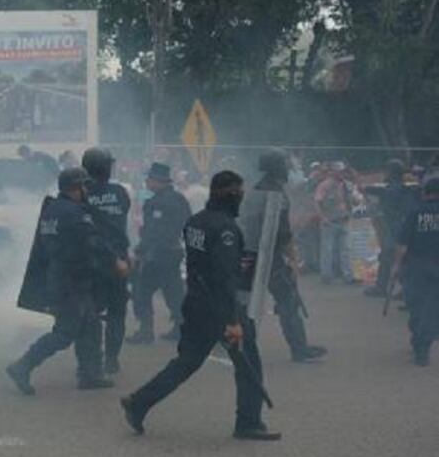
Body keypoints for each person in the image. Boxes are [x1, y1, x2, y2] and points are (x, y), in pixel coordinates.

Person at [120, 171, 281, 441]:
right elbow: (225, 277)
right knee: (249, 362)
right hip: (219, 307)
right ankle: (249, 422)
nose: (240, 197)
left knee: (187, 362)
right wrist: (233, 321)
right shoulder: (227, 229)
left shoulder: (196, 222)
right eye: (238, 193)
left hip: (195, 302)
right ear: (231, 195)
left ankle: (139, 402)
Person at [5, 168, 127, 395]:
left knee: (91, 325)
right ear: (76, 187)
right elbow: (93, 242)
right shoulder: (74, 213)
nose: (87, 191)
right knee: (65, 332)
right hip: (72, 282)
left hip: (61, 278)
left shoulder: (52, 210)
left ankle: (90, 374)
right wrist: (115, 262)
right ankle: (22, 366)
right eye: (84, 187)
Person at [239, 150, 327, 363]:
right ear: (277, 168)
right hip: (270, 257)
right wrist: (292, 260)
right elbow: (282, 233)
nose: (288, 170)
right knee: (288, 303)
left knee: (243, 304)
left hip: (247, 254)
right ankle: (299, 349)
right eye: (285, 166)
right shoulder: (276, 195)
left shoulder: (251, 192)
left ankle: (238, 347)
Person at [129, 162, 192, 343]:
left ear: (158, 181)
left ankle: (145, 330)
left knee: (142, 291)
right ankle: (181, 328)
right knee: (174, 292)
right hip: (174, 251)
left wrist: (140, 251)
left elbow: (153, 232)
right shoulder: (180, 199)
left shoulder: (156, 202)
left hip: (157, 255)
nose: (147, 182)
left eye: (149, 179)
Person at [82, 147, 132, 373]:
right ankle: (112, 359)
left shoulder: (80, 194)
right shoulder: (120, 192)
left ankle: (89, 362)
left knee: (88, 314)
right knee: (116, 313)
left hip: (90, 263)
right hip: (118, 263)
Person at [391, 175, 439, 366]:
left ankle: (420, 344)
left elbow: (402, 244)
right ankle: (423, 343)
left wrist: (396, 266)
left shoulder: (414, 212)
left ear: (425, 193)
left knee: (416, 306)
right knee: (433, 307)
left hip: (416, 266)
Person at [365, 159, 419, 297]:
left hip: (395, 230)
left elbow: (372, 190)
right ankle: (405, 289)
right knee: (403, 259)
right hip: (407, 230)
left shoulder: (390, 190)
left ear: (390, 172)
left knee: (388, 257)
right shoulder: (410, 189)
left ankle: (383, 288)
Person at [314, 162, 357, 285]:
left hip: (344, 220)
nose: (341, 174)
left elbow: (356, 200)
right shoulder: (324, 186)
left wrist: (355, 196)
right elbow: (317, 202)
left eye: (343, 171)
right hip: (330, 221)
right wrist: (322, 218)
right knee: (328, 250)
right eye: (339, 171)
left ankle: (348, 276)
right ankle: (326, 276)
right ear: (333, 172)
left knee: (346, 250)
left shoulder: (347, 185)